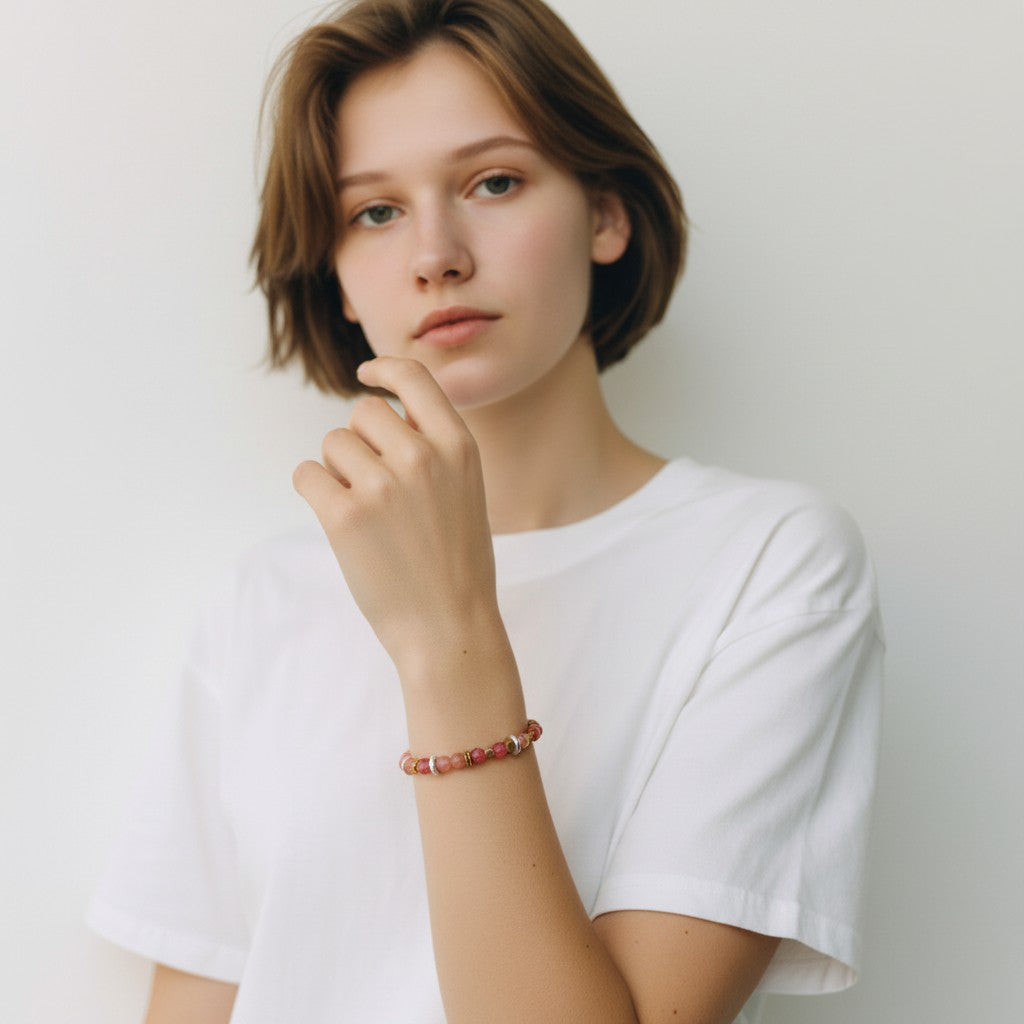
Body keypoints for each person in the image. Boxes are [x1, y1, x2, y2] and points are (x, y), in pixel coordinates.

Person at [88, 1, 884, 1021]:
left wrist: (442, 636)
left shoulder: (768, 565)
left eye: (494, 182)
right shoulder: (262, 600)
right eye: (373, 211)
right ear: (335, 279)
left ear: (606, 213)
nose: (436, 253)